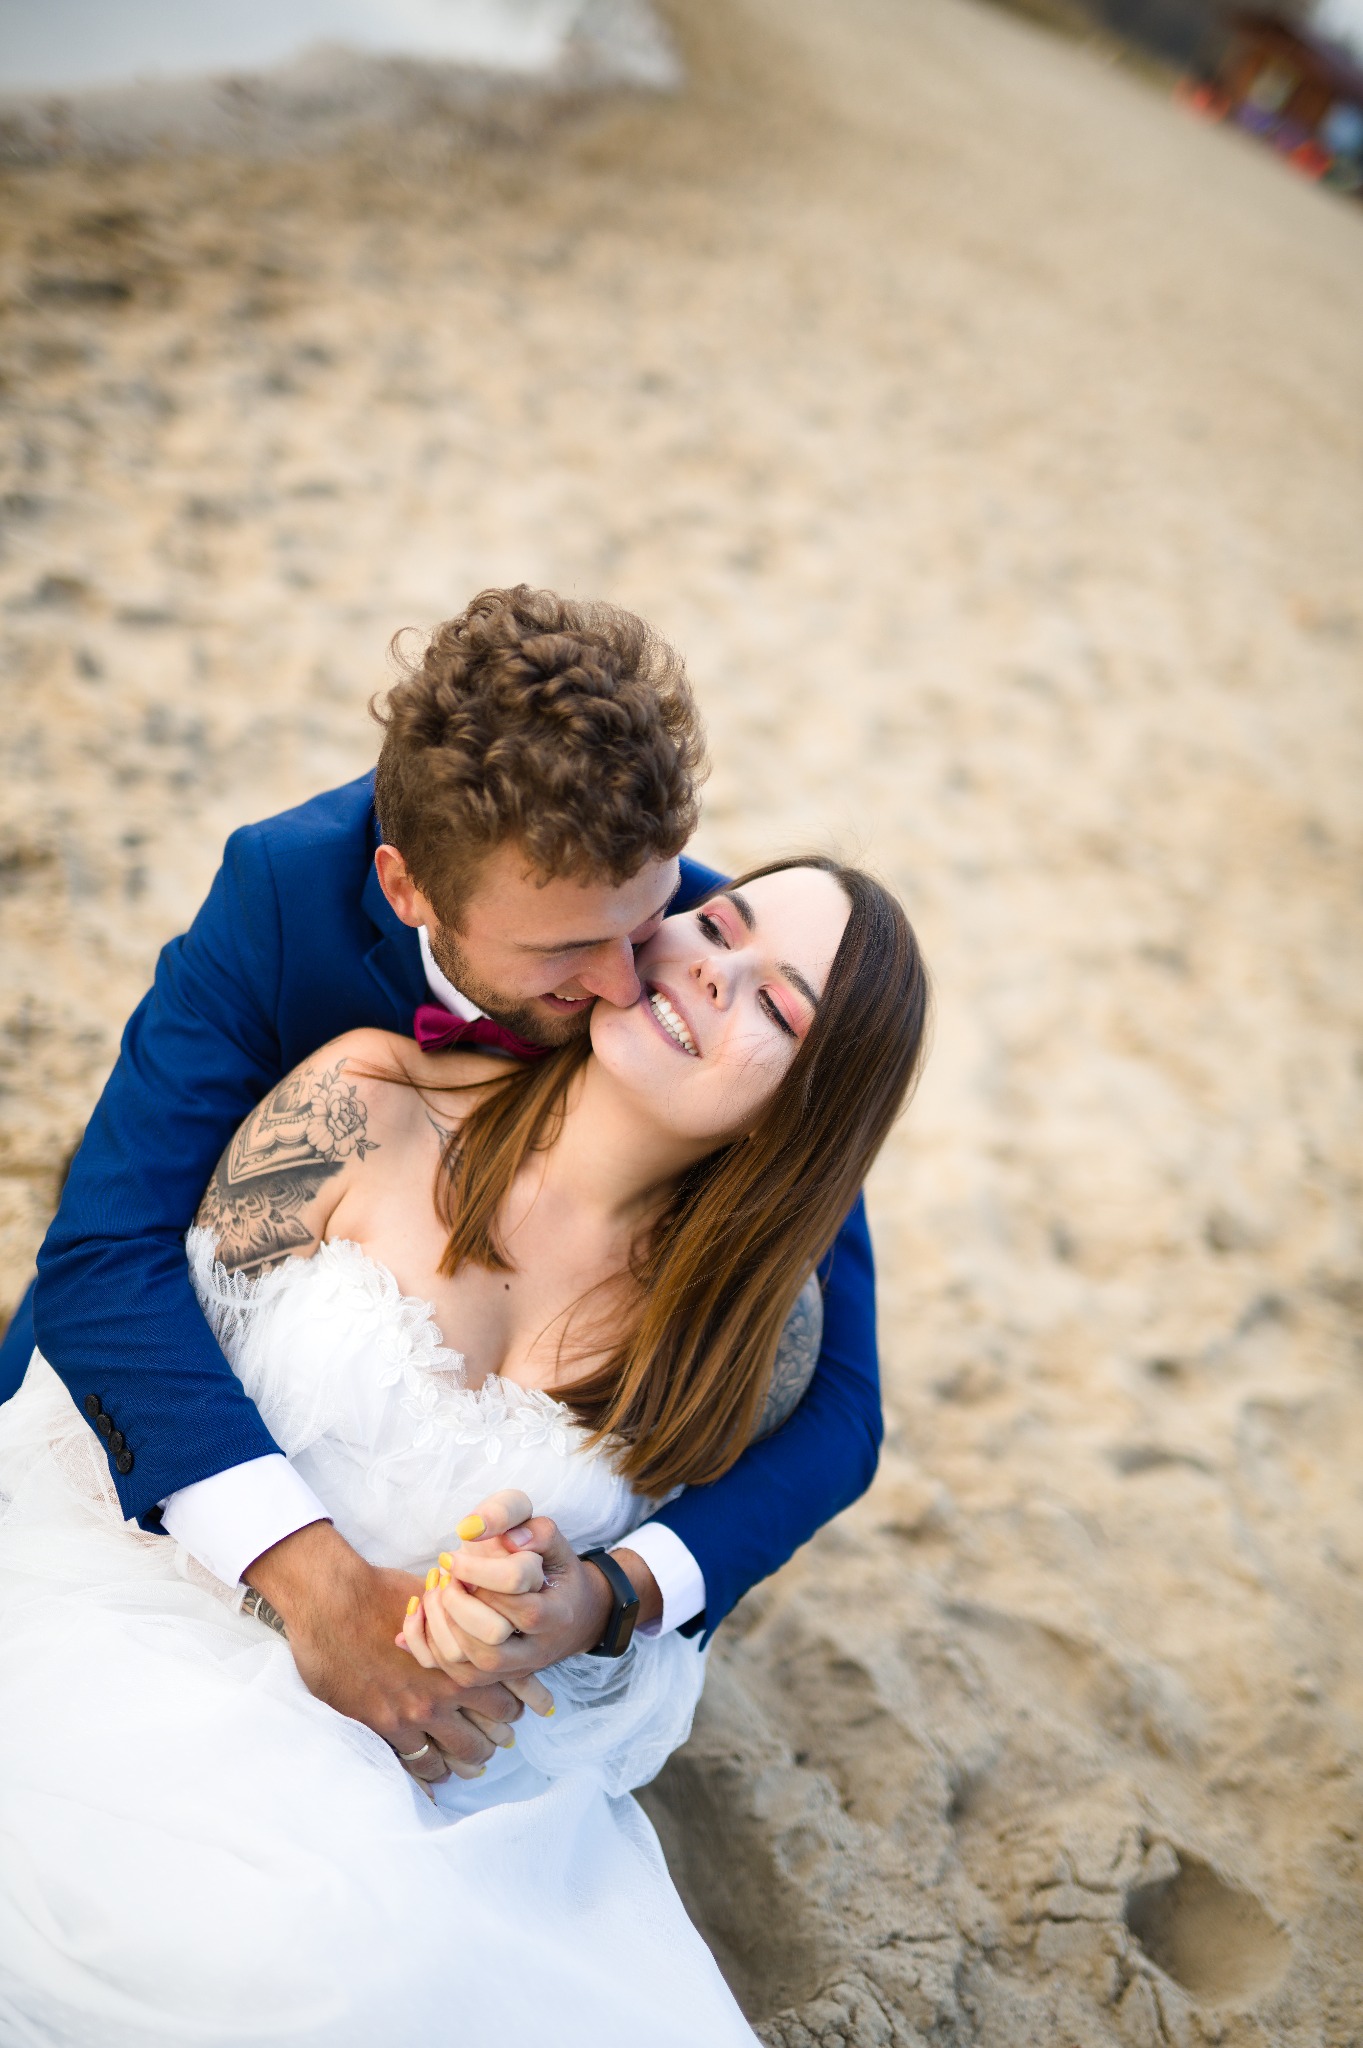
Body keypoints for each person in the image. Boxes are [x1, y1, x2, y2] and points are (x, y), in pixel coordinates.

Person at [0, 847, 929, 2044]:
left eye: (778, 1007)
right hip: (142, 1620)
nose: (714, 971)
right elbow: (121, 1349)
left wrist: (557, 1594)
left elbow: (804, 1455)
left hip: (439, 1772)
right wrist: (306, 1590)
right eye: (716, 925)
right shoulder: (365, 1099)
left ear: (806, 1109)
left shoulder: (747, 1337)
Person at [0, 586, 889, 1784]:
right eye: (564, 950)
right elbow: (108, 1249)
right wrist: (314, 1583)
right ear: (407, 888)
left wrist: (611, 1593)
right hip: (166, 1453)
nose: (626, 979)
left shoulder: (706, 949)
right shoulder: (281, 899)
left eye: (647, 919)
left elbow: (840, 1411)